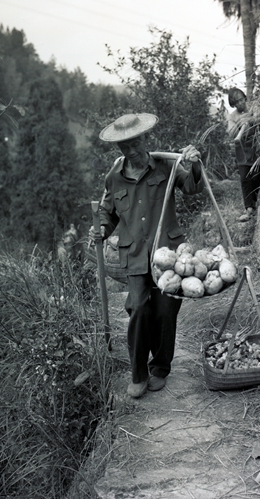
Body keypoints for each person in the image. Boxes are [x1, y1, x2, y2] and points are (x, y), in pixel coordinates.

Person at [91, 113, 204, 398]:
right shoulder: (114, 177)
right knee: (139, 308)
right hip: (136, 256)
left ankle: (161, 368)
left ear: (144, 139)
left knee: (166, 310)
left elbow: (191, 187)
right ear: (119, 148)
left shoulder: (166, 164)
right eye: (124, 146)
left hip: (169, 254)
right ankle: (138, 372)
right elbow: (107, 212)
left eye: (135, 142)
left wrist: (194, 165)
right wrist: (102, 228)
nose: (131, 150)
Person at [226, 88, 260, 222]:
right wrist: (238, 125)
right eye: (236, 102)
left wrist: (250, 119)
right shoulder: (233, 116)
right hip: (242, 151)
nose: (240, 103)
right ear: (233, 104)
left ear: (244, 98)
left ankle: (257, 205)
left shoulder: (253, 107)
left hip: (256, 148)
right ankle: (249, 209)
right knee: (244, 179)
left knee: (256, 176)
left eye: (241, 99)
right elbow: (230, 132)